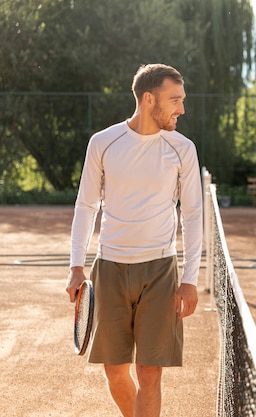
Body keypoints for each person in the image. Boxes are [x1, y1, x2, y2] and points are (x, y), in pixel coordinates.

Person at [65, 63, 203, 417]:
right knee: (115, 372)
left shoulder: (182, 148)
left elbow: (192, 215)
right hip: (109, 269)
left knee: (149, 373)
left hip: (160, 270)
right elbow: (85, 205)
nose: (181, 109)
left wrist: (189, 279)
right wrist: (76, 267)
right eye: (175, 100)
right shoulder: (103, 142)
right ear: (148, 99)